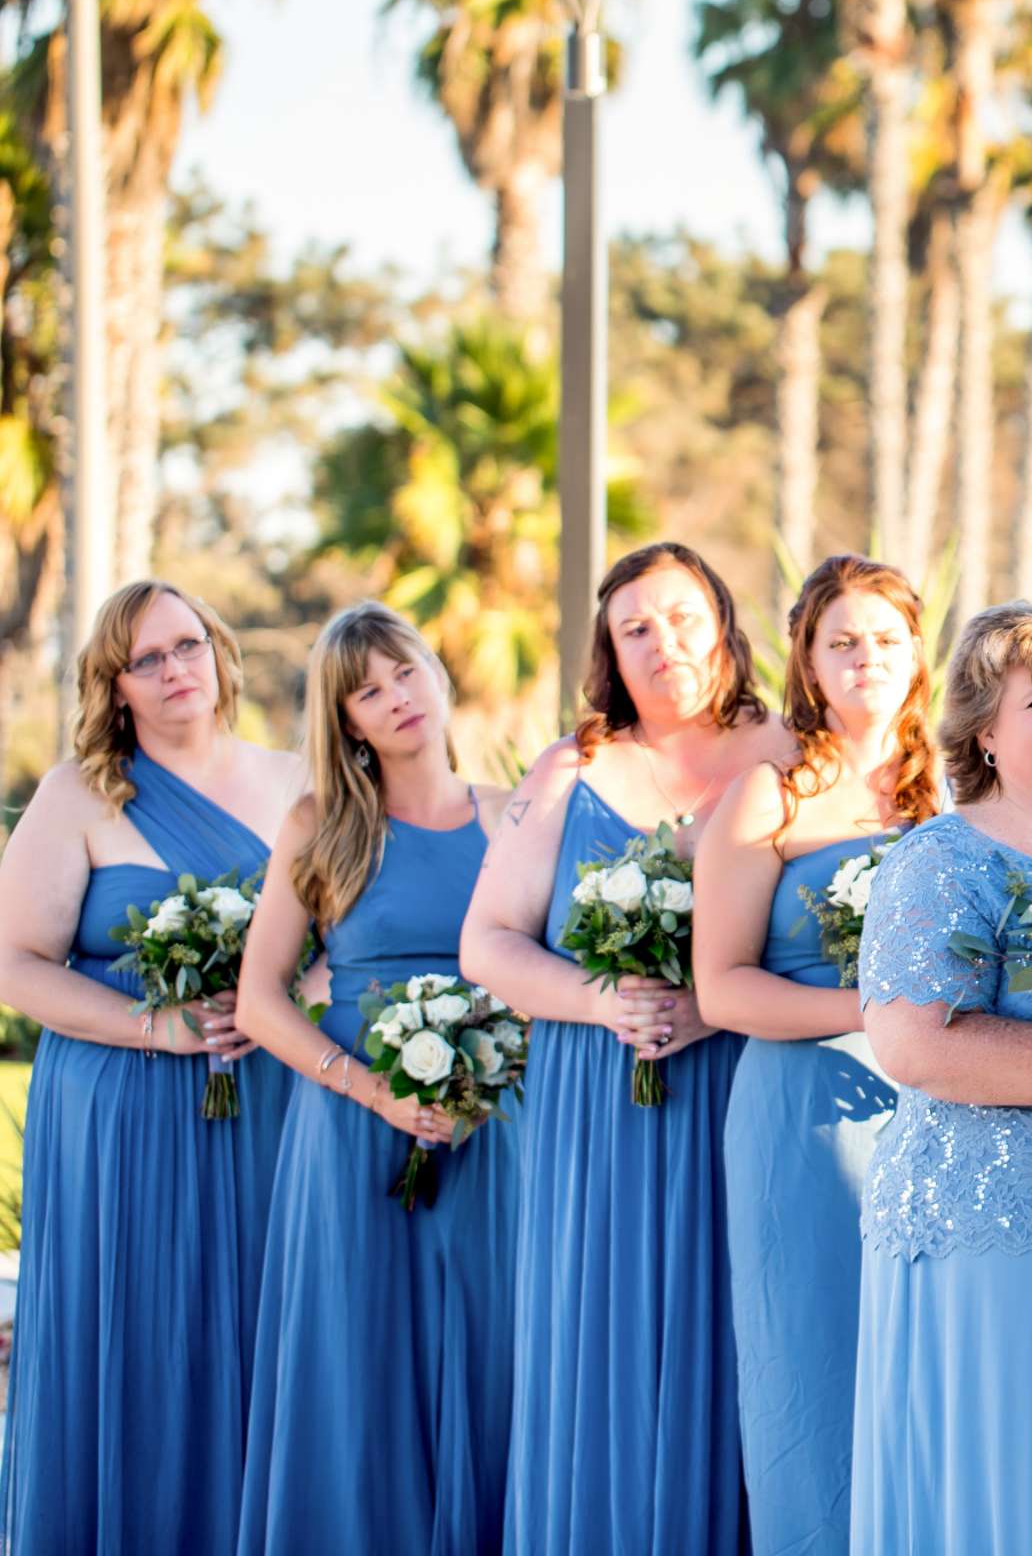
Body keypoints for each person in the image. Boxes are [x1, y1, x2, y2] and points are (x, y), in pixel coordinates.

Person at [462, 542, 787, 1554]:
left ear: (726, 624)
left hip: (741, 1088)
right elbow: (488, 945)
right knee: (595, 1341)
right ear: (609, 649)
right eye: (635, 627)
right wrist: (599, 997)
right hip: (591, 1105)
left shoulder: (791, 754)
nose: (665, 644)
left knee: (735, 1339)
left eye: (684, 617)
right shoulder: (573, 768)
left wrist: (713, 1003)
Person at [0, 579, 304, 1552]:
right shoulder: (80, 794)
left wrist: (292, 1001)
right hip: (120, 1106)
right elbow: (14, 964)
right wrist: (155, 1024)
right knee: (135, 1334)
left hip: (270, 1092)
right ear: (115, 685)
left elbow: (347, 935)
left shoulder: (301, 778)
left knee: (265, 1327)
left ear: (218, 652)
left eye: (186, 645)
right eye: (147, 659)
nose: (174, 669)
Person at [849, 601, 1032, 1555]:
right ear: (984, 734)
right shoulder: (943, 859)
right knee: (1018, 1493)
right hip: (995, 1228)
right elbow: (917, 1045)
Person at [234, 601, 517, 1554]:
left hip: (494, 1129)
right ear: (344, 719)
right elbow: (259, 1000)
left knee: (486, 1348)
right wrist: (370, 1091)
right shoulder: (321, 828)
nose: (395, 699)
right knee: (358, 1358)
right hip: (352, 1129)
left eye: (405, 672)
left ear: (438, 674)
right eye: (366, 690)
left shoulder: (512, 816)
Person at [694, 555, 940, 1555]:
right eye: (843, 641)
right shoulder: (772, 793)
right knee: (812, 1363)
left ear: (919, 652)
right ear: (806, 658)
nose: (866, 658)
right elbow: (723, 984)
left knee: (932, 1365)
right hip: (804, 1119)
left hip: (947, 1111)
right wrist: (869, 1011)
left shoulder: (965, 788)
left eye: (886, 638)